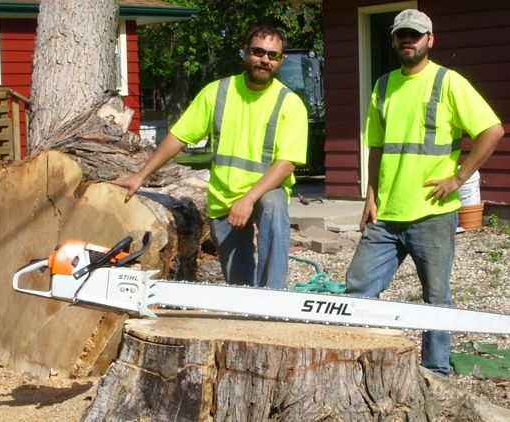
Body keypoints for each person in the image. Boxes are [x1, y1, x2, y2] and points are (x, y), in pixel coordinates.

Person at [345, 9, 503, 377]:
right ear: (394, 38)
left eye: (415, 35)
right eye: (402, 34)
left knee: (436, 300)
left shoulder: (448, 83)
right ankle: (352, 364)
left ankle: (435, 372)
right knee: (358, 289)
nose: (408, 41)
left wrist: (458, 178)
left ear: (430, 39)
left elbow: (491, 131)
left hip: (432, 214)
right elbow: (378, 147)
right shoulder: (383, 86)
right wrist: (370, 195)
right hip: (386, 215)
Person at [111, 26, 308, 289]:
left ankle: (274, 296)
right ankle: (245, 314)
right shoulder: (218, 92)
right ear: (245, 52)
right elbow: (179, 137)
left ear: (281, 60)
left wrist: (248, 199)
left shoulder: (289, 103)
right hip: (223, 199)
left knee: (275, 206)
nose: (265, 60)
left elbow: (286, 164)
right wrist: (140, 177)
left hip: (262, 194)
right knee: (239, 286)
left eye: (273, 55)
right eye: (258, 52)